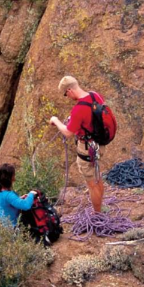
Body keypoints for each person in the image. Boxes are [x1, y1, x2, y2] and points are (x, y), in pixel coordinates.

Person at [48, 76, 110, 213]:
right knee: (97, 177)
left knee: (92, 184)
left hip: (87, 149)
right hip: (100, 144)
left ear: (69, 90)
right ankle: (100, 208)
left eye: (66, 94)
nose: (67, 97)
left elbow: (68, 132)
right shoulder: (95, 95)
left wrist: (56, 121)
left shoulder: (78, 109)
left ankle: (97, 215)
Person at [0, 163, 37, 227]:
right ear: (9, 178)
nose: (14, 177)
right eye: (13, 175)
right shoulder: (9, 195)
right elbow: (26, 205)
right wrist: (31, 194)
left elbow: (7, 204)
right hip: (11, 227)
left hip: (3, 223)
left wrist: (19, 199)